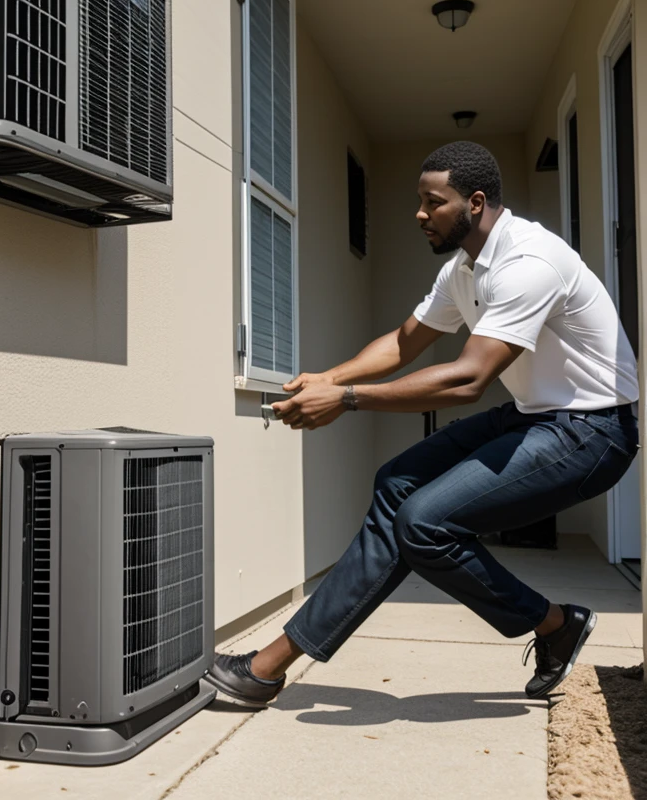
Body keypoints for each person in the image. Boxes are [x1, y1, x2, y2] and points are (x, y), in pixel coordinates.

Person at [205, 141, 640, 706]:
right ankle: (267, 667)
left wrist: (349, 399)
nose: (418, 214)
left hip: (593, 432)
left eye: (432, 203)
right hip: (539, 415)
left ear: (475, 202)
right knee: (398, 484)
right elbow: (404, 342)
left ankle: (555, 624)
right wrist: (329, 379)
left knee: (425, 522)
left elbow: (467, 379)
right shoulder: (464, 270)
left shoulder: (530, 263)